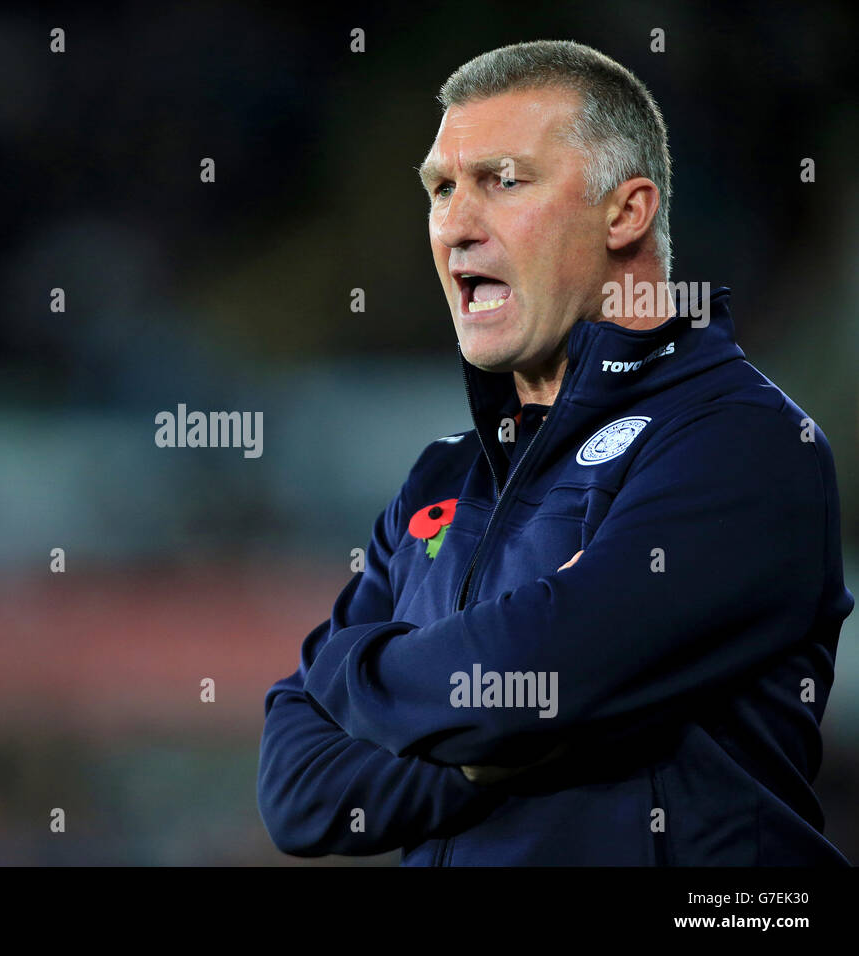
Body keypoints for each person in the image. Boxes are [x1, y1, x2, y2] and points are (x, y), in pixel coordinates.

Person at [256, 39, 853, 865]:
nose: (456, 225)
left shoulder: (744, 446)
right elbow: (299, 794)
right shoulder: (443, 476)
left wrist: (351, 672)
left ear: (626, 212)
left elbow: (527, 682)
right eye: (440, 189)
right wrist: (476, 755)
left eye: (503, 181)